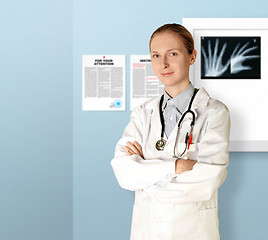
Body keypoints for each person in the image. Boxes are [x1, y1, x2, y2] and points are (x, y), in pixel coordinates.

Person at [111, 23, 230, 240]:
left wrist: (147, 176)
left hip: (193, 232)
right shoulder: (142, 114)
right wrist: (176, 166)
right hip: (146, 231)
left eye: (172, 54)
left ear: (192, 57)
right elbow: (124, 173)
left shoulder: (214, 113)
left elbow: (209, 179)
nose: (163, 64)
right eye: (156, 56)